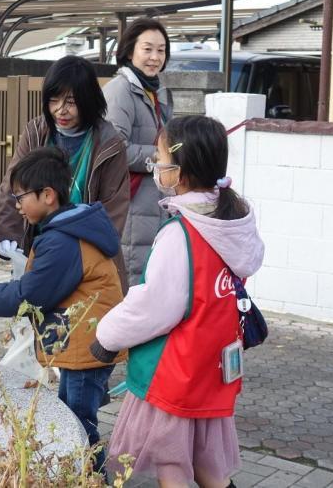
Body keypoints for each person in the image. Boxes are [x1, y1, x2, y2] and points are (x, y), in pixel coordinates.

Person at [90, 115, 265, 488]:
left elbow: (156, 304)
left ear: (180, 172)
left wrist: (107, 336)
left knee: (171, 458)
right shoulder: (231, 222)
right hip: (214, 364)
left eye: (159, 156)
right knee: (207, 460)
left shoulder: (181, 234)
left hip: (176, 369)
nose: (156, 165)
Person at [0, 147, 125, 471]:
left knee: (77, 423)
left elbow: (32, 295)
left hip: (87, 344)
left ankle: (94, 477)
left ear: (48, 195)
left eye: (20, 196)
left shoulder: (62, 241)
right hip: (88, 342)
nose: (17, 205)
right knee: (74, 415)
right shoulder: (70, 229)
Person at [0, 55, 130, 292]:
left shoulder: (109, 143)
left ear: (88, 100)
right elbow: (13, 186)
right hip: (40, 247)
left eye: (71, 101)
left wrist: (82, 253)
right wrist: (8, 232)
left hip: (86, 257)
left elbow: (113, 209)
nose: (60, 110)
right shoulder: (36, 132)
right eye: (53, 100)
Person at [103, 17, 174, 288]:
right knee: (133, 281)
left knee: (151, 280)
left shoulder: (156, 91)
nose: (155, 57)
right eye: (148, 49)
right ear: (130, 50)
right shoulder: (120, 90)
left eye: (161, 50)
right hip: (131, 206)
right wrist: (162, 158)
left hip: (153, 202)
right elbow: (114, 149)